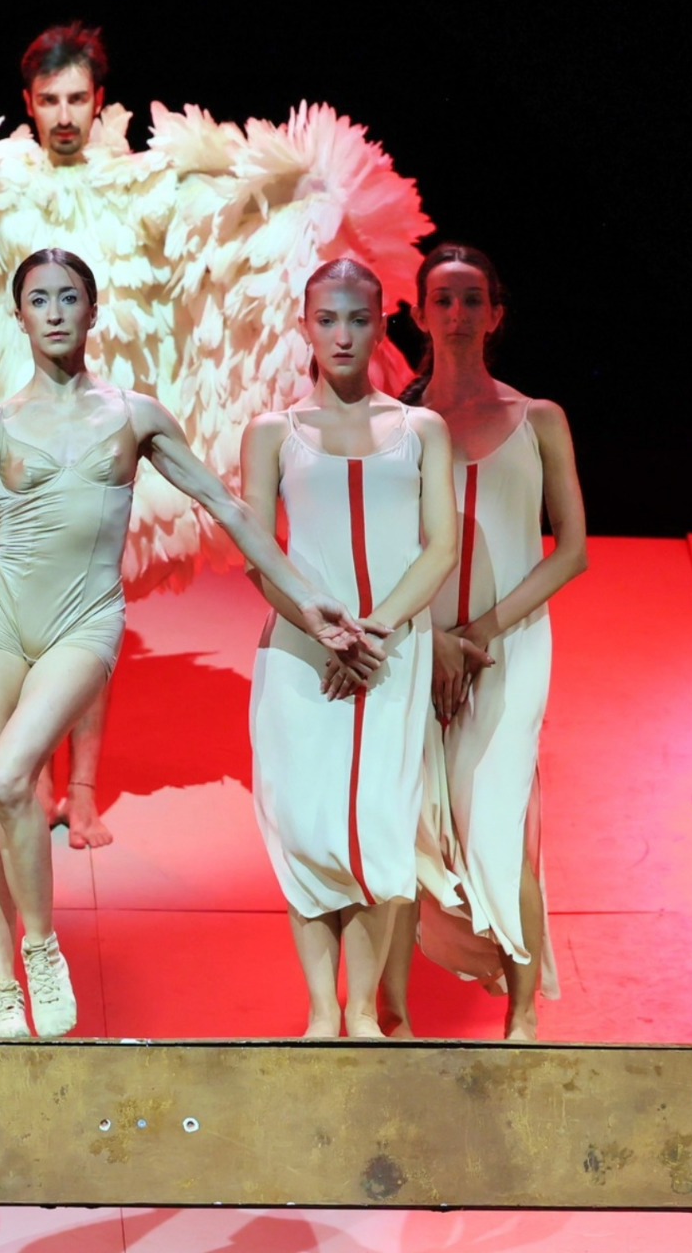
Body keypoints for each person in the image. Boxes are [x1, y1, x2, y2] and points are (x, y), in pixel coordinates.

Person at [0, 22, 432, 848]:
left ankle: (82, 789)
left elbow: (213, 207)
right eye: (49, 100)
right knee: (14, 572)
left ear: (100, 102)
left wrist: (300, 190)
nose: (63, 114)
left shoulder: (135, 180)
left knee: (96, 586)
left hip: (106, 396)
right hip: (13, 390)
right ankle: (28, 776)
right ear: (28, 103)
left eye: (77, 99)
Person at [0, 248, 384, 1040]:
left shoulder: (135, 416)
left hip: (85, 621)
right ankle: (2, 994)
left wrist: (307, 600)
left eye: (69, 298)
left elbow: (229, 508)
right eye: (39, 300)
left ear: (93, 312)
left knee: (10, 774)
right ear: (20, 317)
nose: (56, 312)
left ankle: (41, 948)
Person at [241, 258, 458, 1038]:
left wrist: (375, 632)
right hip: (303, 658)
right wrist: (324, 630)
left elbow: (440, 547)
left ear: (380, 326)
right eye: (327, 319)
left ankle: (363, 1012)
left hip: (391, 655)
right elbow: (259, 554)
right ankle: (321, 1012)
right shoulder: (273, 432)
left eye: (358, 319)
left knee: (377, 826)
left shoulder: (421, 430)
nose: (342, 335)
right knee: (305, 824)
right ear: (303, 326)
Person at [383, 244, 587, 1041]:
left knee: (496, 817)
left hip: (509, 648)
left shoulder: (539, 420)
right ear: (420, 314)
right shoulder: (398, 425)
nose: (458, 314)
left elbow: (571, 550)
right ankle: (393, 1016)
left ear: (496, 314)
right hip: (418, 647)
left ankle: (523, 1014)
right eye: (443, 299)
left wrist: (476, 634)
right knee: (409, 824)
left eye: (473, 299)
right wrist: (429, 638)